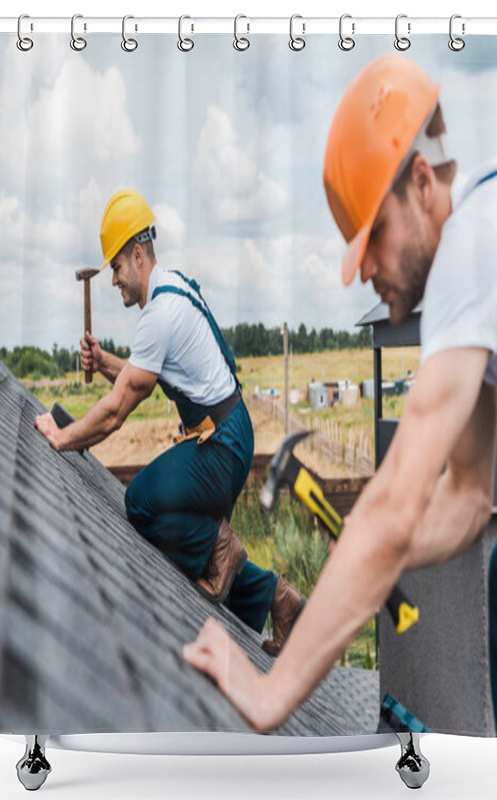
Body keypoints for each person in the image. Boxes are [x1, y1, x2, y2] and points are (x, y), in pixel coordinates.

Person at [183, 54, 497, 736]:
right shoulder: (491, 234)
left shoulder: (472, 247)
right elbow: (464, 502)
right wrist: (367, 562)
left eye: (372, 235)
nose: (365, 269)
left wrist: (268, 692)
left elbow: (396, 506)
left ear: (422, 182)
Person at [34, 189, 305, 654]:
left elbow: (118, 410)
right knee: (205, 562)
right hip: (229, 433)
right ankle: (281, 601)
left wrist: (62, 438)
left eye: (116, 267)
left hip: (221, 448)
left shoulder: (160, 314)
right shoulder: (173, 286)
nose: (114, 280)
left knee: (141, 502)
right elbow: (143, 375)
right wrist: (103, 362)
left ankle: (223, 547)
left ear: (137, 255)